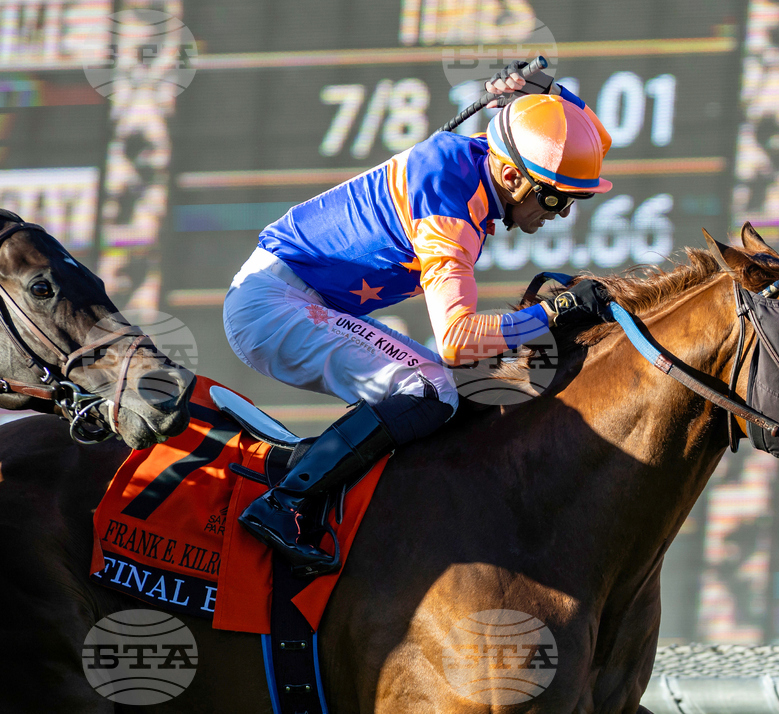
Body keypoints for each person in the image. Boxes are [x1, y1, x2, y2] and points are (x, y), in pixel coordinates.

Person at [222, 65, 615, 577]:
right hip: (272, 306)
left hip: (289, 296)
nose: (561, 213)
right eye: (556, 197)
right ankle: (284, 503)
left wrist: (553, 96)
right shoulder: (449, 209)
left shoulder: (488, 158)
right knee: (433, 387)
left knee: (447, 389)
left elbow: (595, 139)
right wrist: (553, 314)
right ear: (514, 177)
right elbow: (456, 341)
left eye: (575, 199)